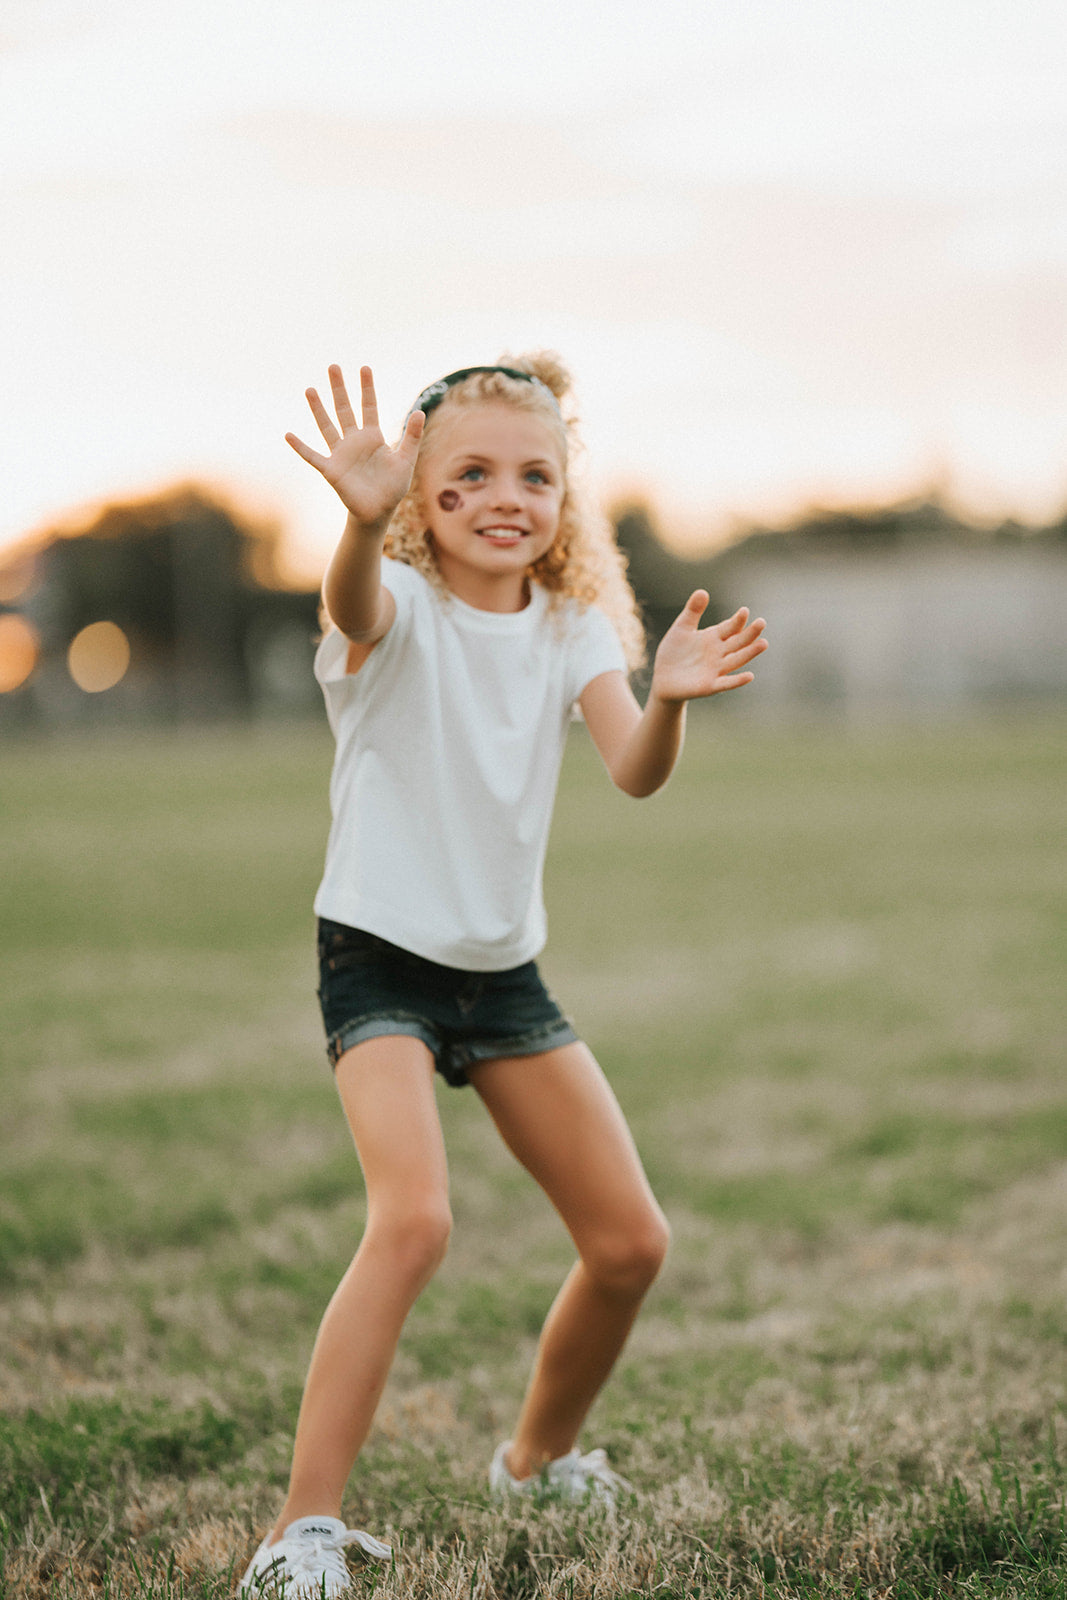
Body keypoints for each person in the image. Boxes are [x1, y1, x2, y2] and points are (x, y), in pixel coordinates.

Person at [239, 356, 767, 1597]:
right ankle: (299, 1532)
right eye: (466, 474)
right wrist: (359, 527)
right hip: (377, 957)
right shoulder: (396, 606)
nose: (504, 497)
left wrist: (668, 699)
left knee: (630, 1240)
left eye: (534, 475)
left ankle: (535, 1459)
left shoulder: (573, 623)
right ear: (418, 491)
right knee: (414, 1220)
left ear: (564, 498)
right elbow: (356, 607)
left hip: (502, 971)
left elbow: (631, 766)